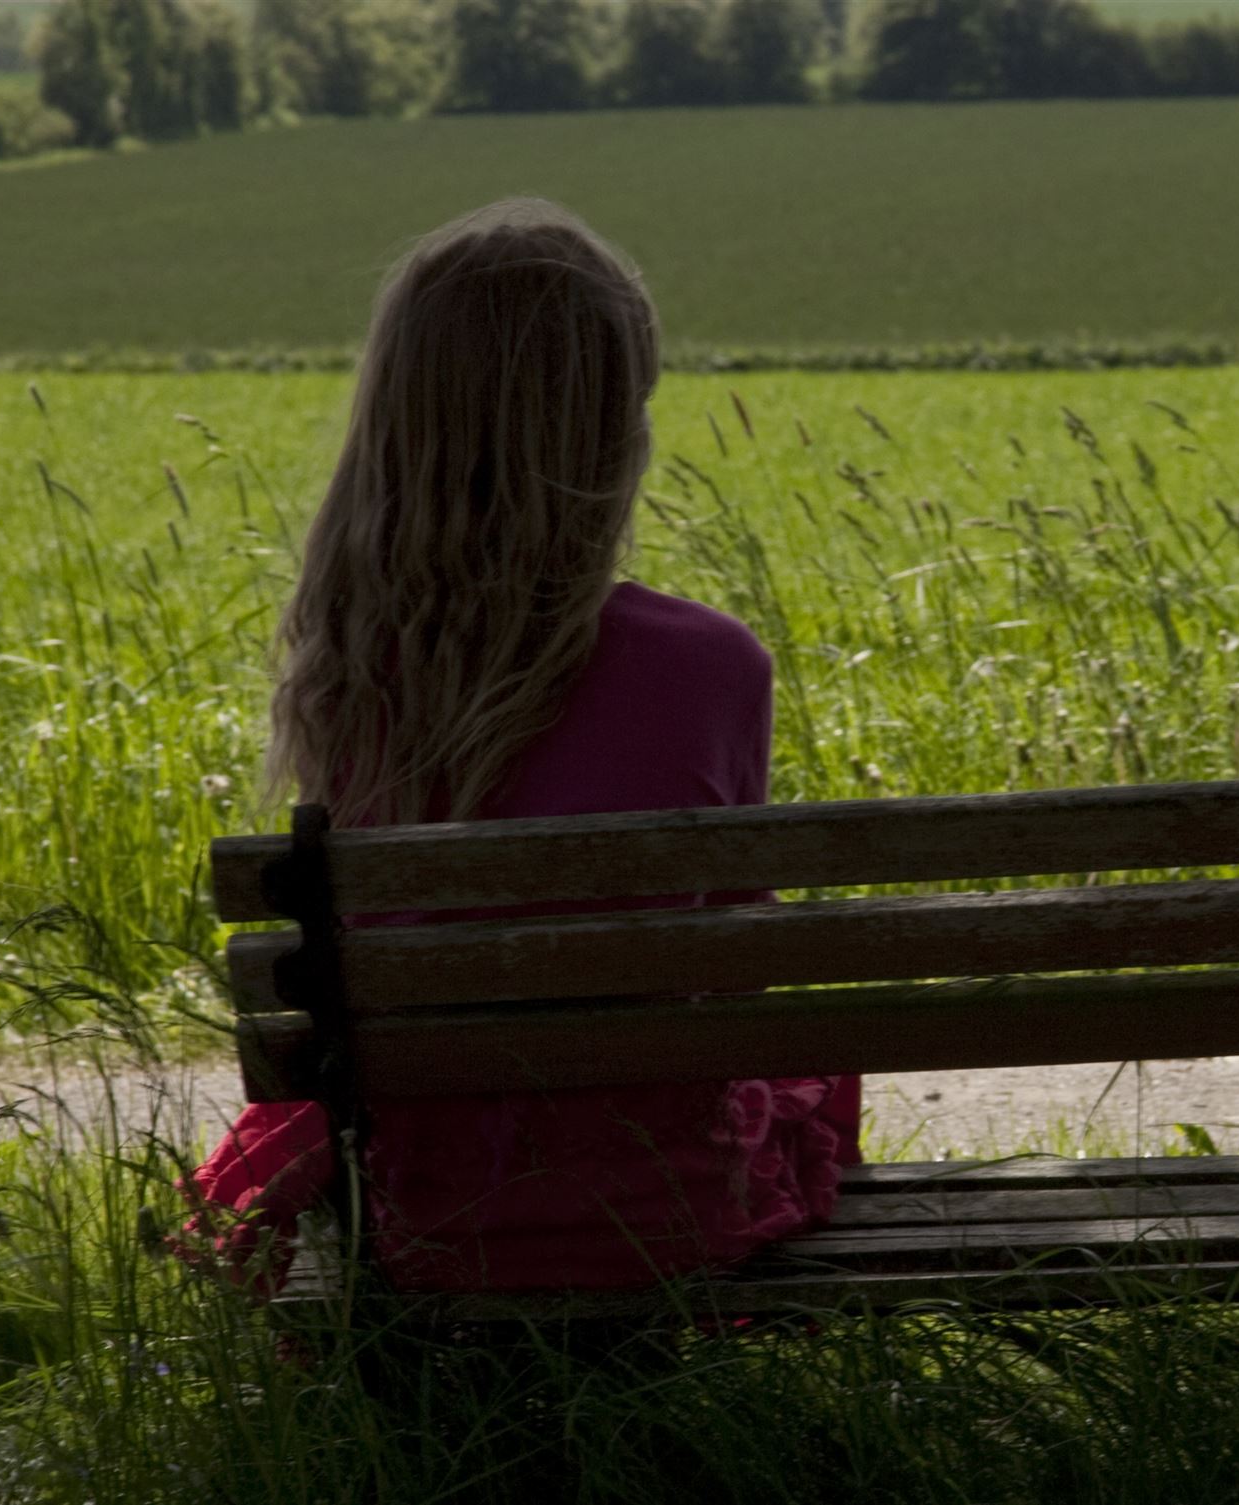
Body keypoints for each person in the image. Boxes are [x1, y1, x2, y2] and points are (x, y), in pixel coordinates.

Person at [182, 199, 861, 1293]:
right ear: (611, 423)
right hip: (662, 1199)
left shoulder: (355, 667)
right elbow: (729, 963)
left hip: (420, 1209)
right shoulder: (713, 664)